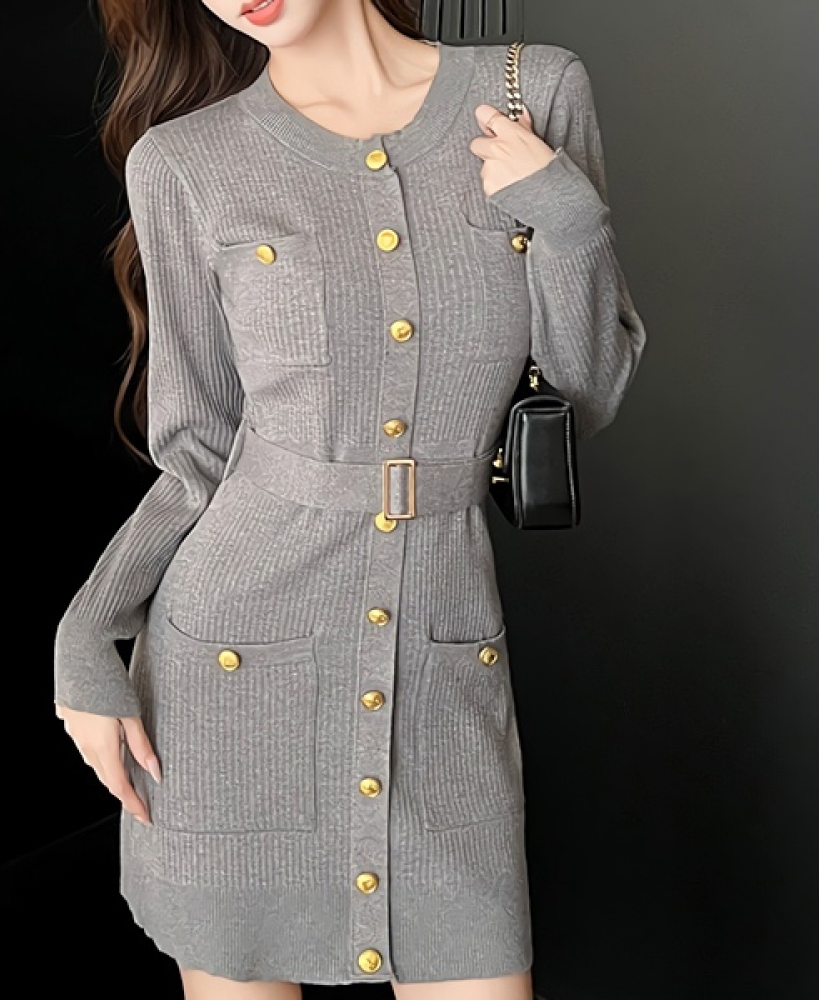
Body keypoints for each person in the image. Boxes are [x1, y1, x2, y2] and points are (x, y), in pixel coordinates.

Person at [53, 0, 647, 995]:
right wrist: (87, 631)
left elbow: (584, 391)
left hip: (442, 642)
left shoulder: (532, 90)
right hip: (227, 670)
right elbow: (196, 453)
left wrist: (569, 219)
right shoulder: (184, 162)